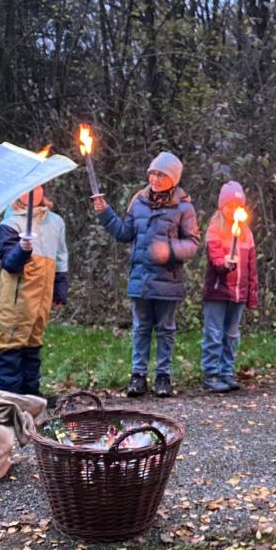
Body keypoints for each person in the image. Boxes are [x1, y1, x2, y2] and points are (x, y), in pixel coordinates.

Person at [94, 152, 200, 398]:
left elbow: (193, 243)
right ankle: (138, 376)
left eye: (160, 174)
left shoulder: (184, 207)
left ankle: (163, 377)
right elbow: (123, 233)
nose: (154, 178)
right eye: (152, 173)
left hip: (168, 281)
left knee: (165, 328)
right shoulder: (138, 201)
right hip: (140, 279)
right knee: (141, 327)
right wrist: (105, 213)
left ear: (172, 179)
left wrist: (170, 250)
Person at [0, 187, 69, 395]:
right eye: (27, 189)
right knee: (11, 345)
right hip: (17, 298)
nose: (33, 191)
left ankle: (30, 394)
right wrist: (22, 249)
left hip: (41, 298)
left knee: (33, 344)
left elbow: (61, 255)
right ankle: (7, 395)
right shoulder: (11, 224)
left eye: (37, 187)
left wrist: (60, 284)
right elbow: (9, 263)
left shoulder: (55, 222)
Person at [201, 181, 260, 393]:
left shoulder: (247, 234)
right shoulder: (215, 229)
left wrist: (252, 294)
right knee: (214, 333)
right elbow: (215, 258)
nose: (232, 210)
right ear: (221, 206)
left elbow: (252, 267)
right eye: (229, 205)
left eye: (237, 206)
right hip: (218, 291)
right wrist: (224, 265)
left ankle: (227, 371)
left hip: (239, 293)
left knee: (231, 335)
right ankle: (211, 373)